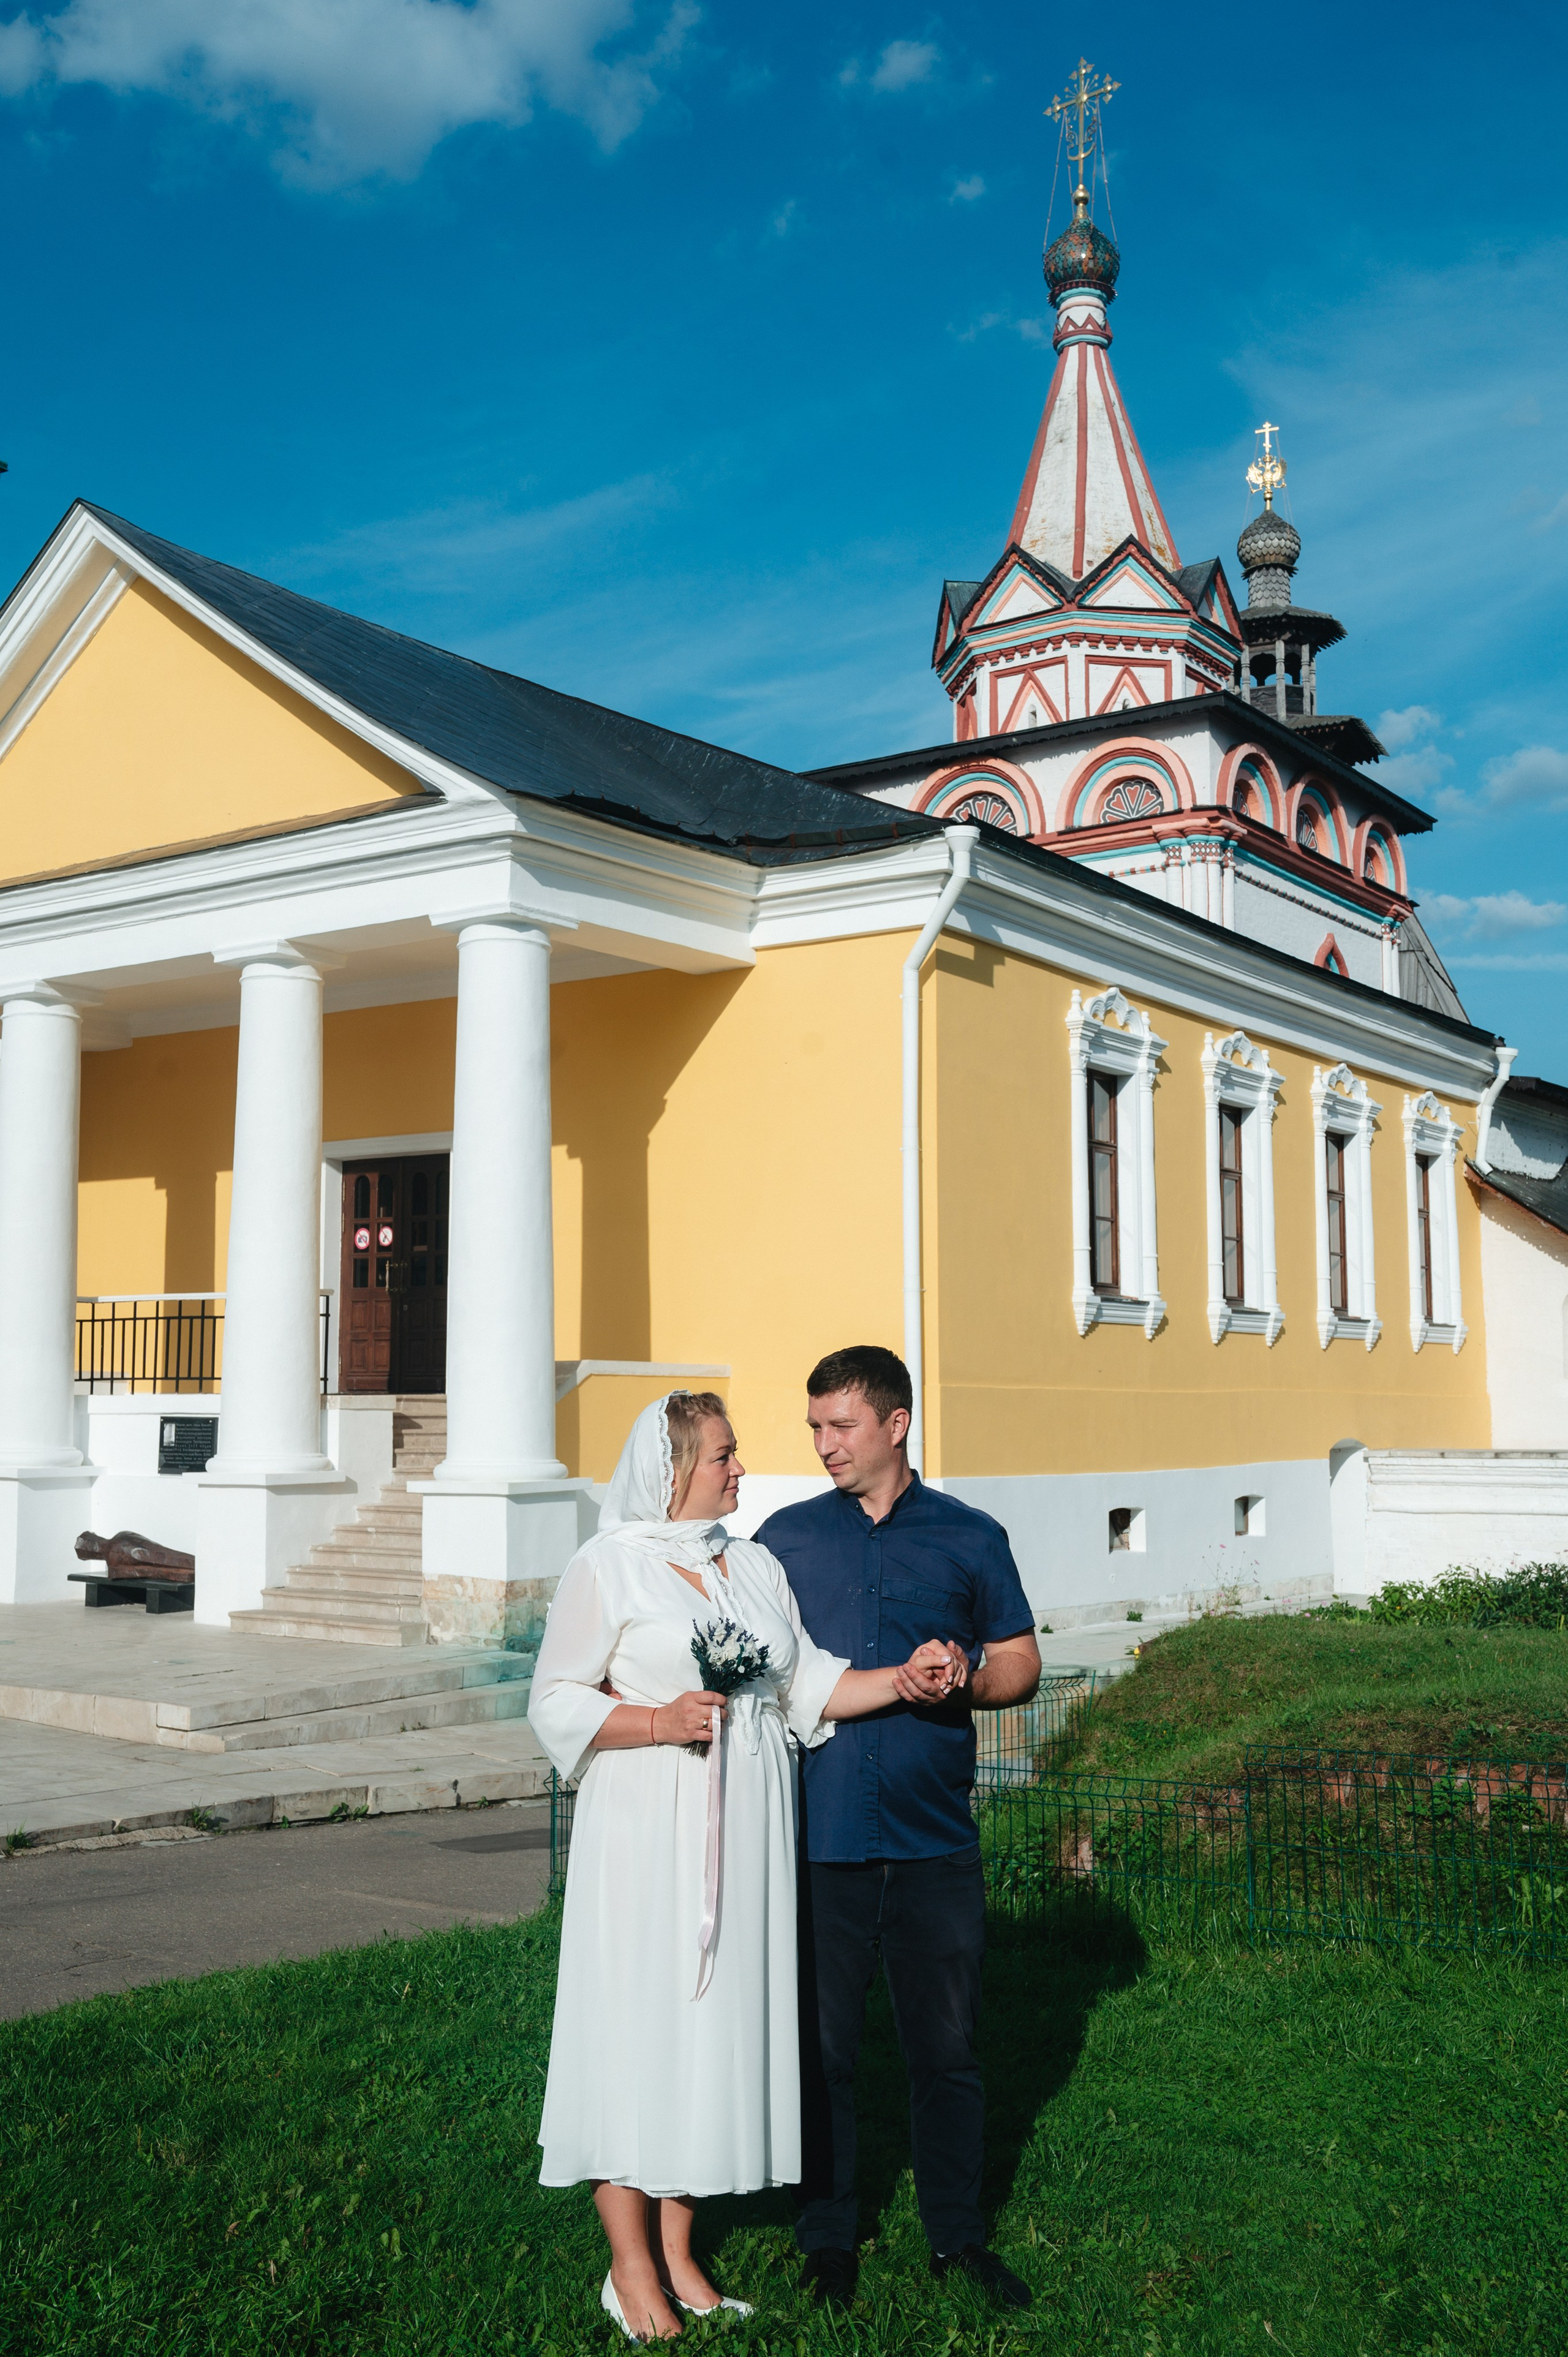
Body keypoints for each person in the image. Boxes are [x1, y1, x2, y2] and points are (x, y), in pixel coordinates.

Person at [527, 1390, 962, 2344]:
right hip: (650, 1828)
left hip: (751, 1829)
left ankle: (682, 2255)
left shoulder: (753, 1564)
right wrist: (655, 1721)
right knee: (639, 2022)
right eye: (723, 1455)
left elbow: (807, 1679)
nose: (740, 1470)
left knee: (709, 2030)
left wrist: (904, 1680)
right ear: (673, 1469)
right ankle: (629, 2265)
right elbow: (555, 1699)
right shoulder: (607, 1569)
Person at [754, 1345, 1042, 2314]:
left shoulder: (971, 1535)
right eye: (816, 1429)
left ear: (896, 1424)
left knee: (945, 2051)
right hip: (819, 1841)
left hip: (934, 1845)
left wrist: (968, 1675)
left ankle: (957, 2241)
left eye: (840, 1426)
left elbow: (1021, 1664)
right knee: (823, 2053)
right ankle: (828, 2235)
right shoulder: (783, 1542)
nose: (825, 1445)